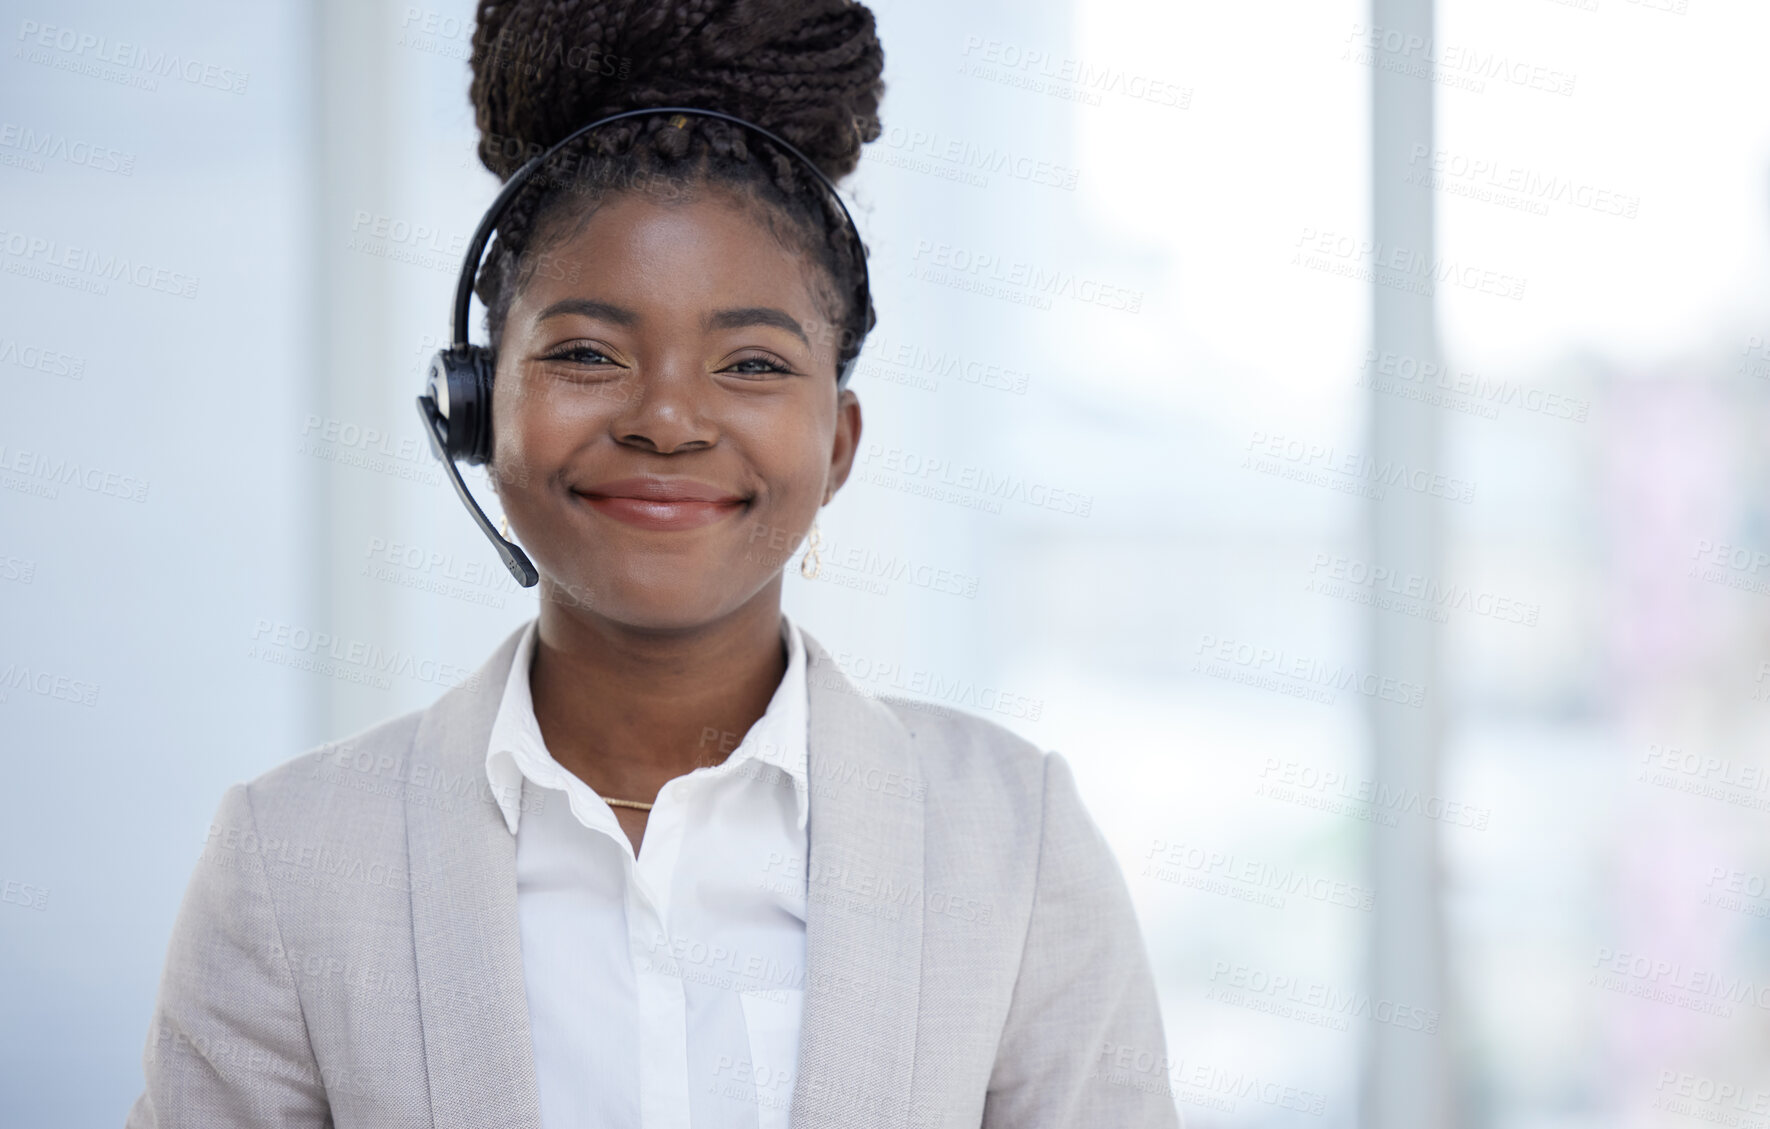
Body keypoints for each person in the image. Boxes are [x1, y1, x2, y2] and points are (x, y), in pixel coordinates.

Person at [126, 1, 1178, 1126]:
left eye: (754, 362)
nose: (668, 418)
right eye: (585, 352)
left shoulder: (1015, 847)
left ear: (838, 445)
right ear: (477, 411)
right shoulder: (290, 862)